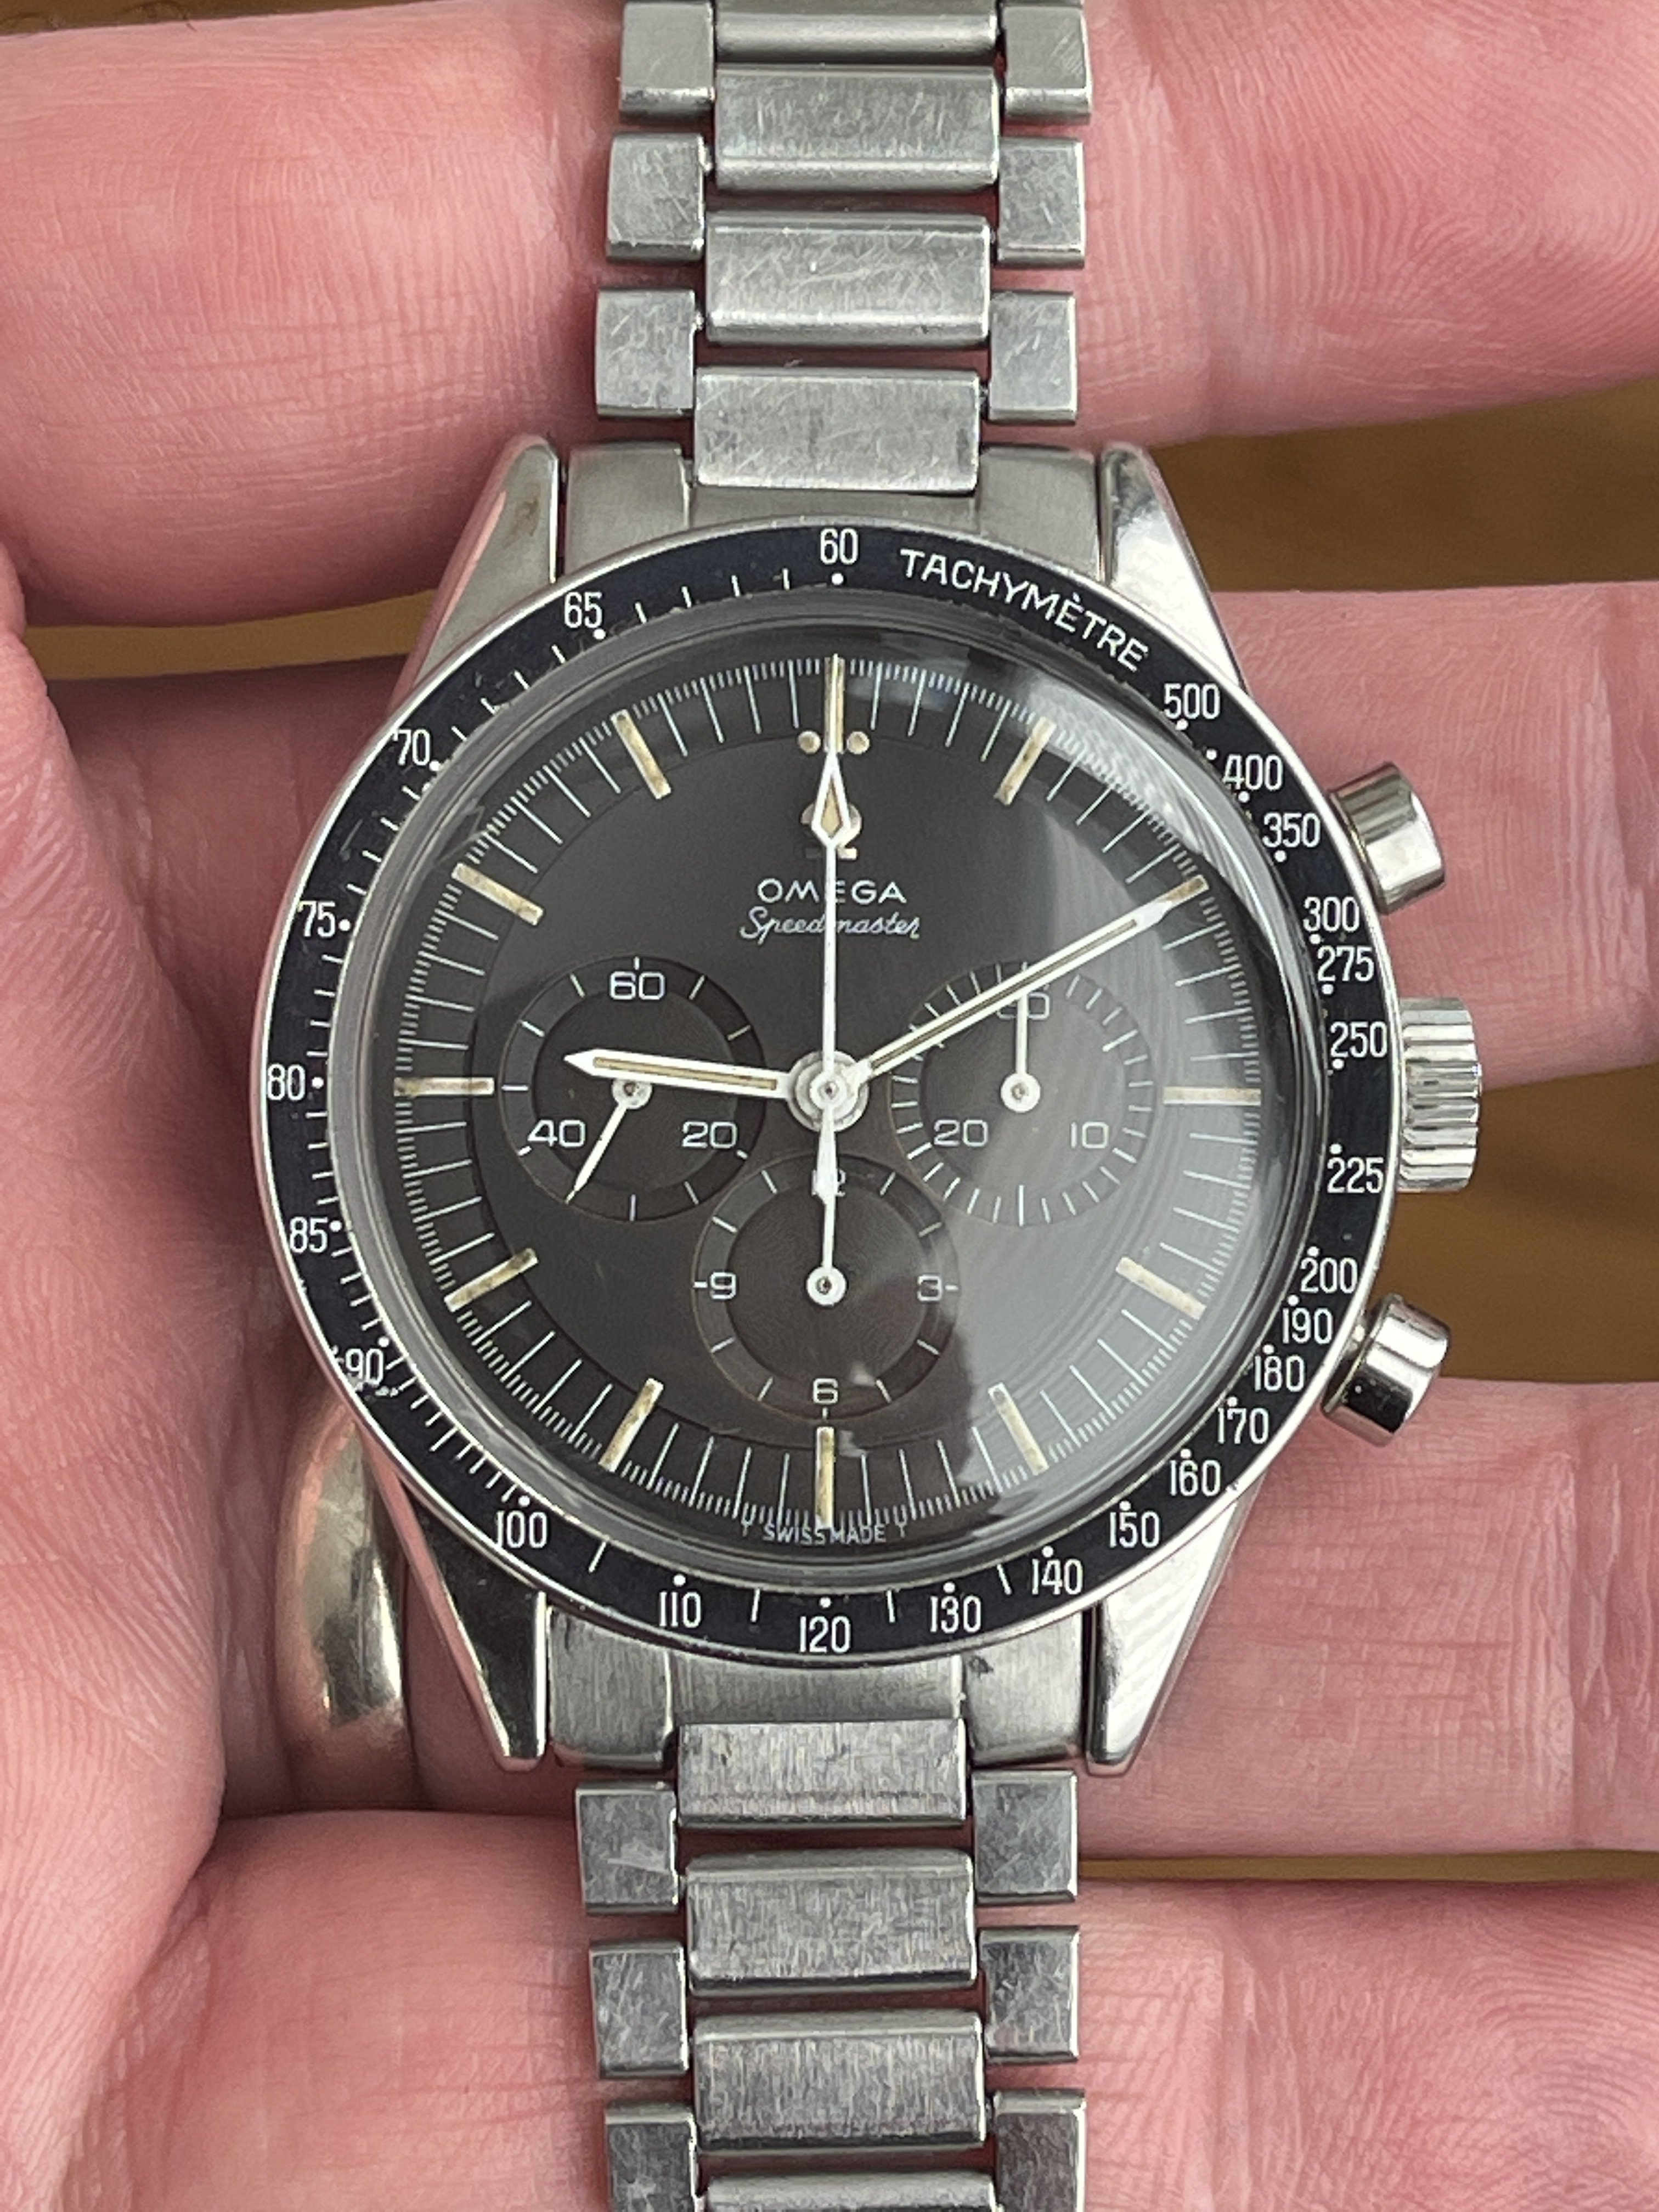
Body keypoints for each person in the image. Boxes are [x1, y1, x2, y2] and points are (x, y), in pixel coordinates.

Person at [2, 1, 1657, 2203]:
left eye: (852, 1082)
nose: (822, 1084)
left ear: (1374, 1103)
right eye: (806, 1080)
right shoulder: (591, 559)